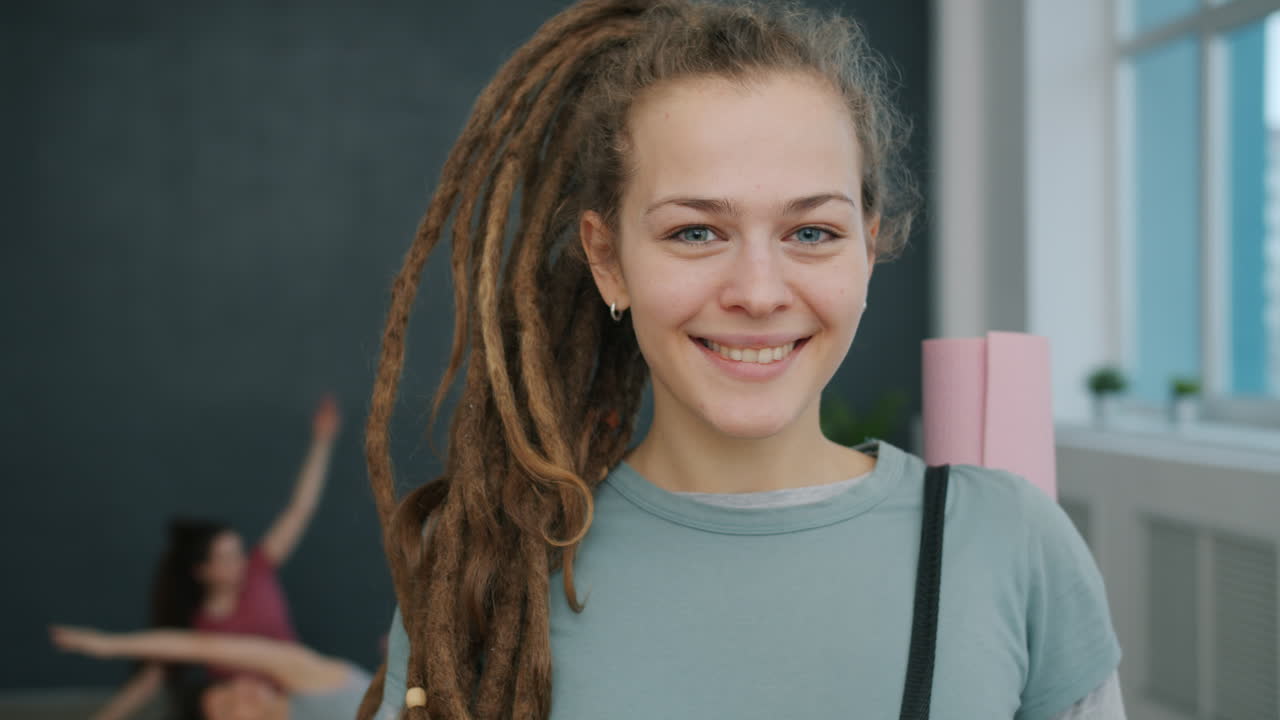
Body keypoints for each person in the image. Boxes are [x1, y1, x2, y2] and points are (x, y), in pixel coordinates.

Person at [360, 1, 1125, 718]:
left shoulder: (1013, 542)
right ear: (608, 260)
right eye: (696, 232)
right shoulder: (486, 569)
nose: (758, 292)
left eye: (812, 233)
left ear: (869, 245)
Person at [90, 395, 342, 720]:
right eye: (225, 558)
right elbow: (150, 680)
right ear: (202, 570)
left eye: (238, 553)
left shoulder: (258, 571)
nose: (238, 562)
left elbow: (300, 509)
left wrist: (322, 442)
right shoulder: (196, 623)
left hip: (301, 697)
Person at [50, 625, 369, 720]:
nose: (242, 694)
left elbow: (205, 647)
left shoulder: (305, 676)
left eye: (229, 687)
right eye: (230, 709)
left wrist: (111, 645)